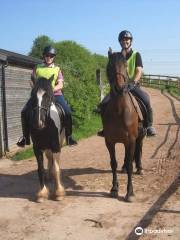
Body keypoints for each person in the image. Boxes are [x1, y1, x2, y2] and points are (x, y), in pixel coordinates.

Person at [98, 30, 156, 137]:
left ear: (130, 41)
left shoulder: (136, 54)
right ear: (120, 42)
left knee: (146, 99)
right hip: (119, 87)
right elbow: (111, 71)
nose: (125, 41)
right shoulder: (117, 56)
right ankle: (105, 127)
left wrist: (133, 82)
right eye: (123, 39)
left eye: (127, 39)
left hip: (132, 86)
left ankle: (148, 126)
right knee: (104, 103)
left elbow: (139, 71)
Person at [17, 45, 77, 147]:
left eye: (51, 56)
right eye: (47, 55)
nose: (49, 57)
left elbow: (61, 84)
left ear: (54, 57)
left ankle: (69, 137)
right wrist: (37, 90)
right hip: (39, 95)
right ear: (44, 56)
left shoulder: (57, 69)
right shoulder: (37, 67)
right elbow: (31, 82)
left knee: (67, 111)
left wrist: (50, 90)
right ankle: (25, 138)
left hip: (55, 94)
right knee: (24, 111)